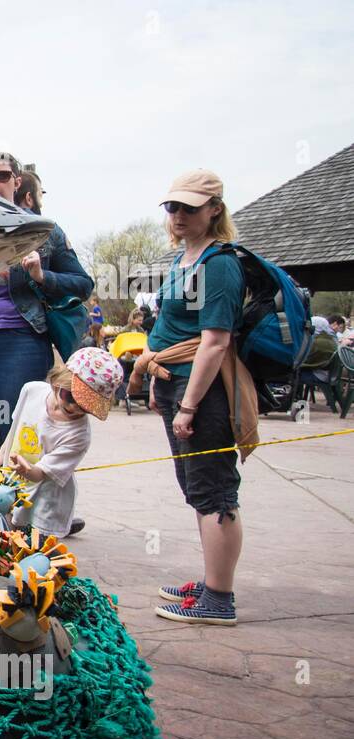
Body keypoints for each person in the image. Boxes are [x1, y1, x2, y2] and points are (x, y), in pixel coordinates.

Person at [144, 169, 248, 626]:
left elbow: (215, 340)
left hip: (200, 388)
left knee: (214, 490)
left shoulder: (219, 262)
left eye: (189, 207)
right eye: (173, 207)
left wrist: (188, 406)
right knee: (195, 487)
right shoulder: (182, 258)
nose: (179, 215)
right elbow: (170, 326)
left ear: (214, 209)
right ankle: (210, 580)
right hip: (171, 378)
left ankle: (220, 598)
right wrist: (154, 380)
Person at [0, 152, 95, 455]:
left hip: (19, 344)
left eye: (2, 176)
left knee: (17, 442)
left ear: (16, 182)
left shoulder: (42, 230)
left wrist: (42, 276)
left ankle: (21, 504)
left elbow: (83, 284)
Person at [0, 348, 123, 537]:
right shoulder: (32, 390)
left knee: (34, 545)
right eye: (71, 397)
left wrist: (27, 470)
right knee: (7, 533)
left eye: (85, 407)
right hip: (16, 483)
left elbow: (40, 475)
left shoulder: (78, 435)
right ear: (58, 380)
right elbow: (16, 426)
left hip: (46, 499)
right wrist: (1, 453)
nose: (74, 407)